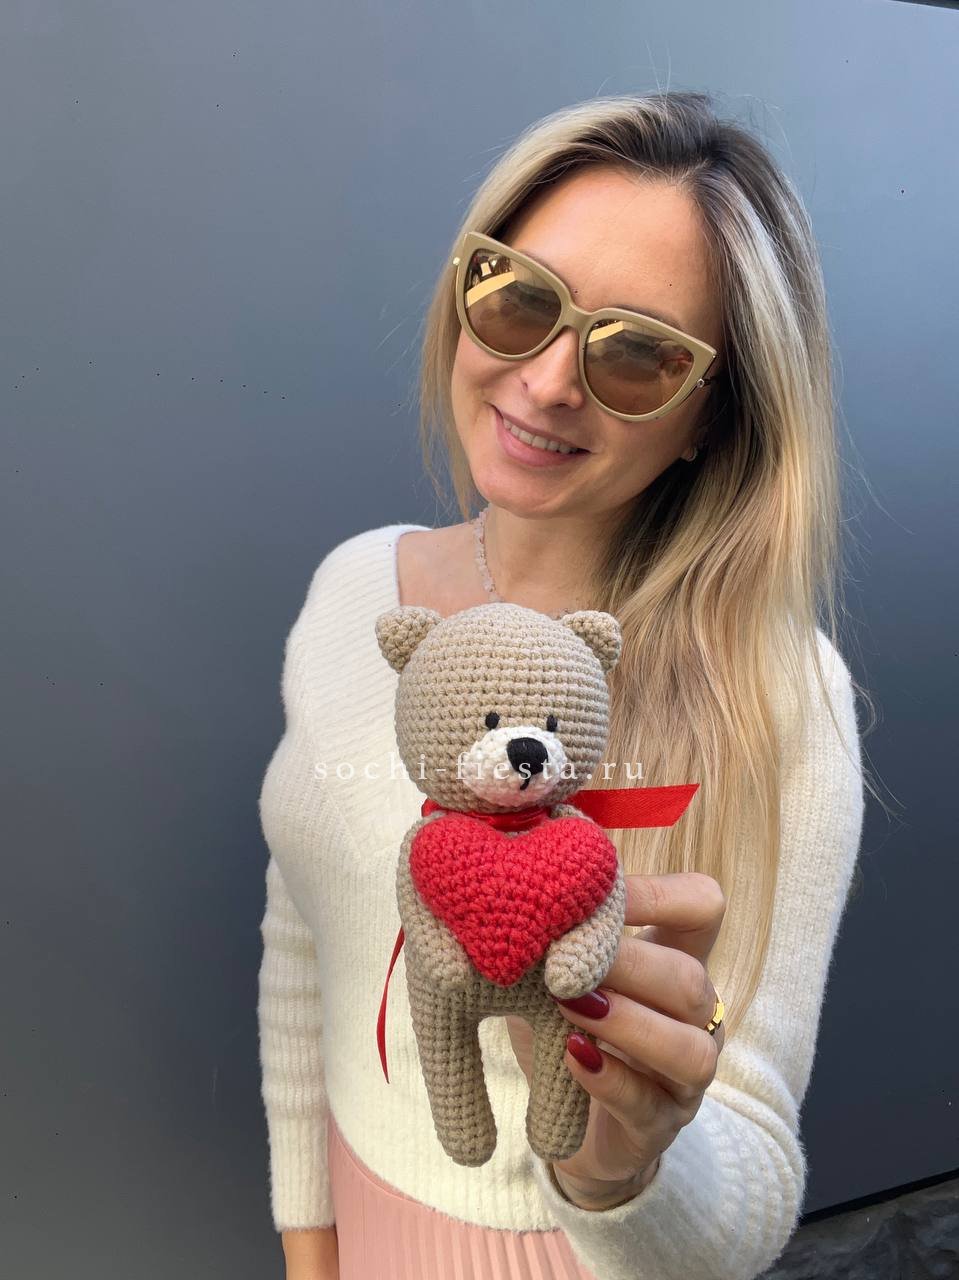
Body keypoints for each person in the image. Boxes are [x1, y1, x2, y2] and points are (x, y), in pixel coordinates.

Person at [256, 90, 872, 1280]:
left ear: (707, 417)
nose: (544, 382)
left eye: (637, 353)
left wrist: (621, 1164)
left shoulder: (776, 694)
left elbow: (751, 1166)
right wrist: (309, 1238)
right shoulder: (351, 595)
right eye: (517, 296)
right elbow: (303, 941)